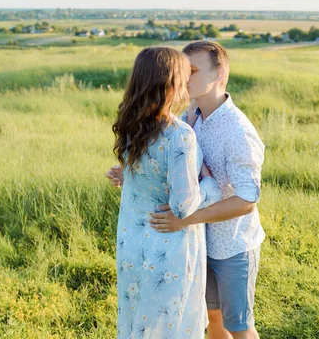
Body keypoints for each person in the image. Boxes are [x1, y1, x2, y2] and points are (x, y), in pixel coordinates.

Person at [107, 41, 265, 339]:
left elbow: (246, 200)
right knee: (212, 321)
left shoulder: (238, 130)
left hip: (231, 244)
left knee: (239, 326)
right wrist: (132, 174)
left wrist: (187, 218)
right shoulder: (188, 119)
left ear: (219, 74)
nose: (183, 78)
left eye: (192, 70)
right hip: (196, 243)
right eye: (183, 70)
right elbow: (168, 171)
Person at [112, 46, 221, 338]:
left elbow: (143, 177)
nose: (188, 84)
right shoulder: (179, 134)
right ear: (171, 84)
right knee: (171, 325)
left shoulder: (129, 125)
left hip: (131, 243)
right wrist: (211, 186)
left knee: (138, 321)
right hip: (168, 246)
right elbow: (184, 206)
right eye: (184, 77)